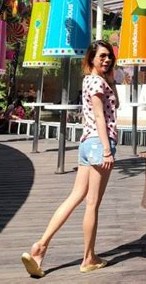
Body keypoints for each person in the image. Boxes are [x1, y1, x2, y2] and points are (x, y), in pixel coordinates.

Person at [21, 41, 119, 278]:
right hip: (98, 143)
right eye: (102, 56)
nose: (107, 60)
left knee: (76, 196)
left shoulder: (90, 80)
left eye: (110, 57)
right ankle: (88, 258)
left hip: (87, 144)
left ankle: (40, 246)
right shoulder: (97, 82)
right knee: (92, 203)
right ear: (92, 58)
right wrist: (107, 150)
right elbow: (99, 116)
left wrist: (112, 79)